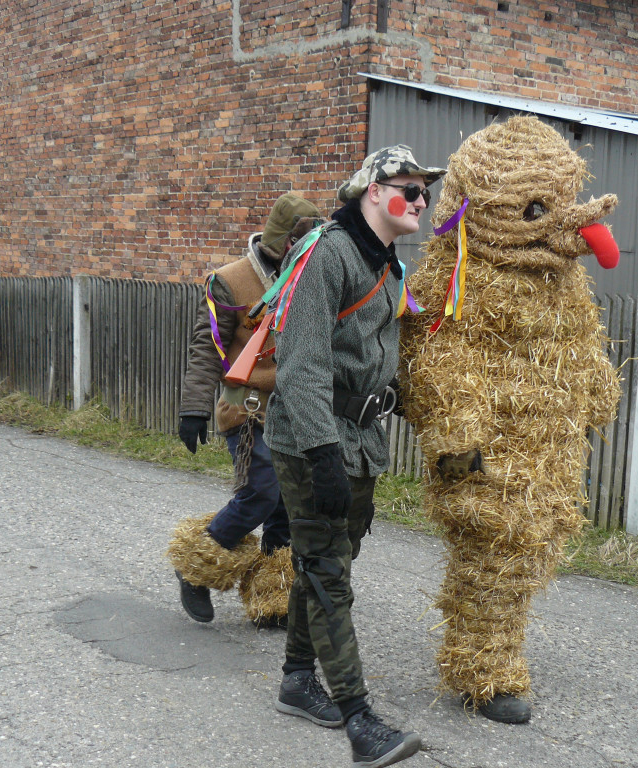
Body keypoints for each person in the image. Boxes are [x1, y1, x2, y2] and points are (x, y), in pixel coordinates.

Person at [264, 147, 445, 768]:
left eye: (426, 192)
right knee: (328, 573)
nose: (422, 201)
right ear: (373, 190)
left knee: (324, 563)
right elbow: (302, 363)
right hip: (313, 439)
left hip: (362, 440)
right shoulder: (327, 252)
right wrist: (321, 456)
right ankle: (358, 719)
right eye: (410, 189)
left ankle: (295, 678)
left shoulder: (387, 263)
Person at [167, 193, 322, 628]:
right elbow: (206, 350)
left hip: (298, 413)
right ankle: (196, 565)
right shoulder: (228, 281)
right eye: (300, 237)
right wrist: (193, 409)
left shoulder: (314, 279)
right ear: (283, 237)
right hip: (248, 411)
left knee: (287, 509)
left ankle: (271, 600)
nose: (307, 244)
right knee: (262, 493)